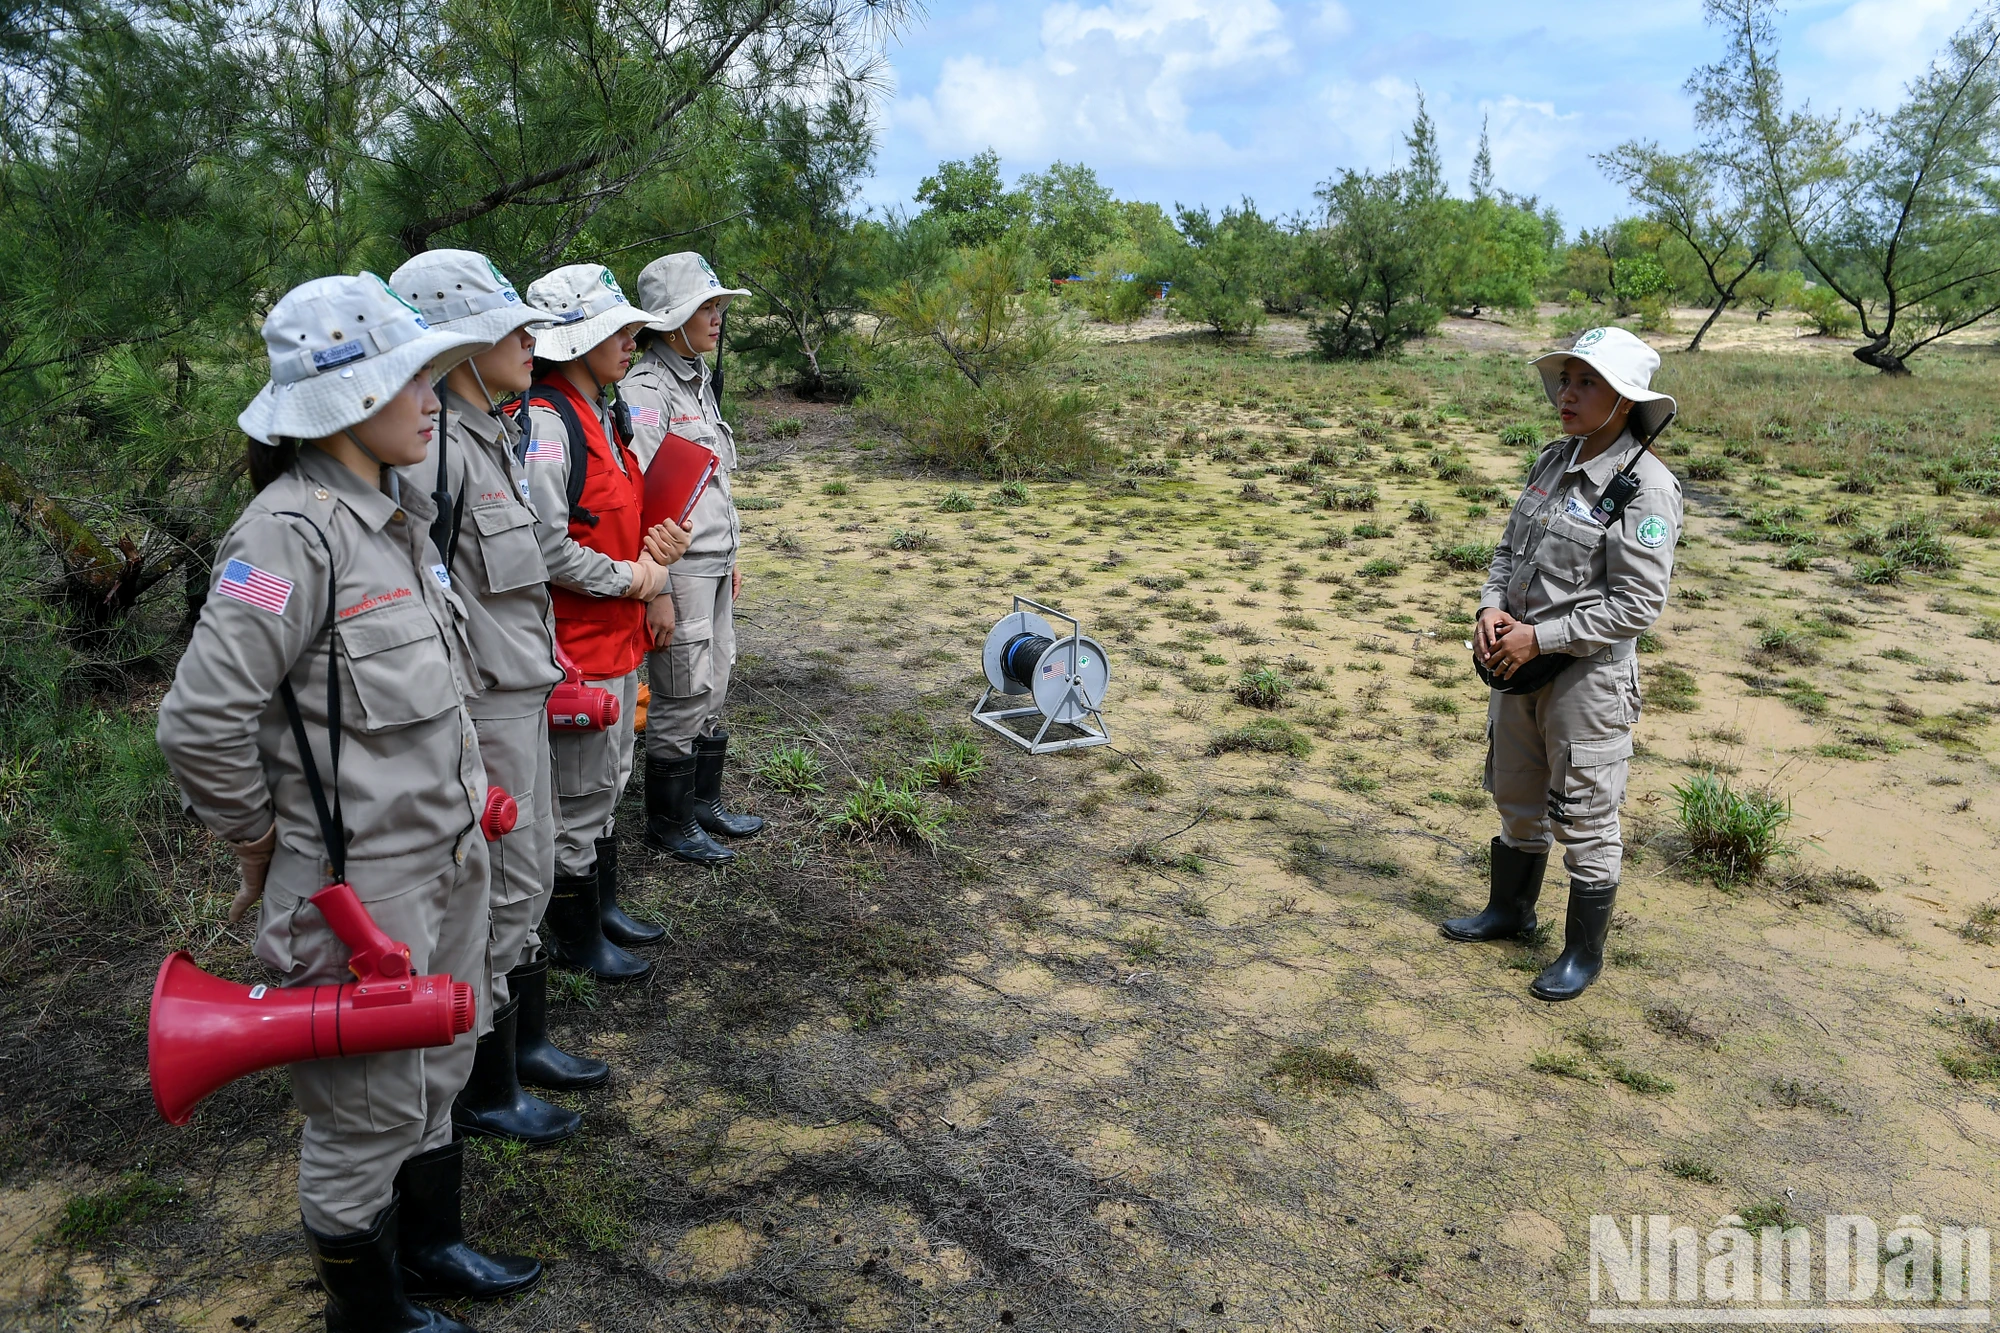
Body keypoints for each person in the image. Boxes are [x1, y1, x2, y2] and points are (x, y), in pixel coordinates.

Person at [157, 273, 537, 1332]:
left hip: (444, 860)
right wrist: (256, 838)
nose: (431, 394)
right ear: (338, 404)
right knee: (363, 1115)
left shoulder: (394, 516)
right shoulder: (288, 538)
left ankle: (431, 1247)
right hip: (359, 893)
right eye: (408, 376)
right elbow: (198, 720)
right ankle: (367, 1315)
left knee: (438, 1068)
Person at [388, 251, 678, 1146]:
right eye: (509, 328)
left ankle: (514, 1051)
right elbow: (435, 592)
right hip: (484, 702)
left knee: (532, 873)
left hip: (525, 683)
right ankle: (483, 1079)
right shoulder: (437, 452)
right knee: (505, 890)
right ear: (461, 344)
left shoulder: (497, 429)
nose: (530, 341)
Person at [1448, 326, 1683, 1002]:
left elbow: (1636, 605)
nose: (1568, 394)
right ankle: (1511, 910)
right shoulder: (1552, 462)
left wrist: (1540, 638)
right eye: (1567, 380)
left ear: (1625, 401)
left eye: (1587, 384)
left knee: (1584, 812)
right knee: (1517, 796)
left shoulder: (1646, 491)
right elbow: (1505, 554)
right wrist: (1491, 610)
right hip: (1515, 663)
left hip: (1587, 680)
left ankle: (1582, 955)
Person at [519, 263, 682, 979]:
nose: (631, 337)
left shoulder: (606, 412)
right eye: (614, 328)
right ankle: (577, 942)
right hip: (578, 647)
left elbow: (612, 517)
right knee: (580, 797)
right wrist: (634, 579)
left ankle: (601, 911)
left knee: (610, 783)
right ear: (575, 342)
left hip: (617, 641)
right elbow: (548, 546)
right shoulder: (550, 424)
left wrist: (656, 555)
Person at [622, 252, 762, 865]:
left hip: (713, 563)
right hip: (677, 569)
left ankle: (703, 804)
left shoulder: (697, 381)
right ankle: (669, 820)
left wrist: (728, 553)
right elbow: (640, 502)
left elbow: (706, 482)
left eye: (718, 306)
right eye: (706, 307)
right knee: (682, 687)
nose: (718, 317)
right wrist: (655, 588)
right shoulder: (645, 393)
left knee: (717, 677)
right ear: (669, 319)